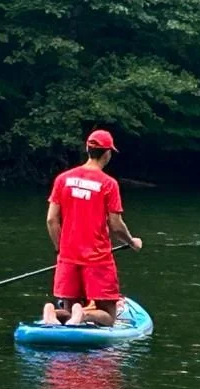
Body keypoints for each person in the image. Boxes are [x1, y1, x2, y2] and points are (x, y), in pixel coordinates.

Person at [39, 129, 142, 328]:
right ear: (107, 153)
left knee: (69, 311)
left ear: (87, 149)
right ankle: (84, 315)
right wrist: (132, 242)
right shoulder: (109, 184)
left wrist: (61, 250)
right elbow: (116, 225)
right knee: (109, 317)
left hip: (68, 257)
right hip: (97, 258)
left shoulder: (63, 179)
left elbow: (51, 220)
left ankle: (52, 312)